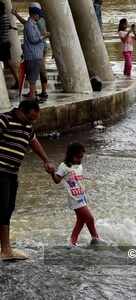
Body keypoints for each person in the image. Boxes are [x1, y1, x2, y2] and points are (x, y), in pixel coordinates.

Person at [0, 101, 54, 261]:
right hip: (0, 171)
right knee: (2, 210)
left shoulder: (28, 126)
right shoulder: (5, 120)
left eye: (34, 120)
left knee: (8, 209)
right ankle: (5, 250)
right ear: (21, 111)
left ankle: (5, 247)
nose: (31, 122)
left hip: (12, 173)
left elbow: (34, 142)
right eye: (30, 118)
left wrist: (46, 160)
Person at [51, 142, 105, 248]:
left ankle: (72, 242)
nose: (80, 160)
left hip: (81, 196)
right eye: (78, 157)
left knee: (81, 220)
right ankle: (95, 238)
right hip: (74, 198)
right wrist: (52, 172)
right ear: (71, 155)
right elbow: (57, 180)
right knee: (90, 218)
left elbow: (78, 180)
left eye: (81, 157)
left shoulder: (79, 165)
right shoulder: (64, 166)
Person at [12, 3, 49, 100]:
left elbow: (31, 33)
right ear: (35, 14)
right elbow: (33, 38)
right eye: (38, 14)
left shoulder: (34, 22)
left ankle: (36, 93)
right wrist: (44, 36)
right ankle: (34, 94)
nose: (39, 16)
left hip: (37, 52)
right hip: (35, 53)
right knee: (34, 75)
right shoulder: (32, 23)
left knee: (35, 74)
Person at [0, 1, 19, 89]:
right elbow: (8, 27)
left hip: (2, 44)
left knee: (8, 63)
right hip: (6, 43)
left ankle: (17, 80)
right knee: (8, 63)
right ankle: (17, 80)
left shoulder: (1, 18)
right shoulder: (5, 17)